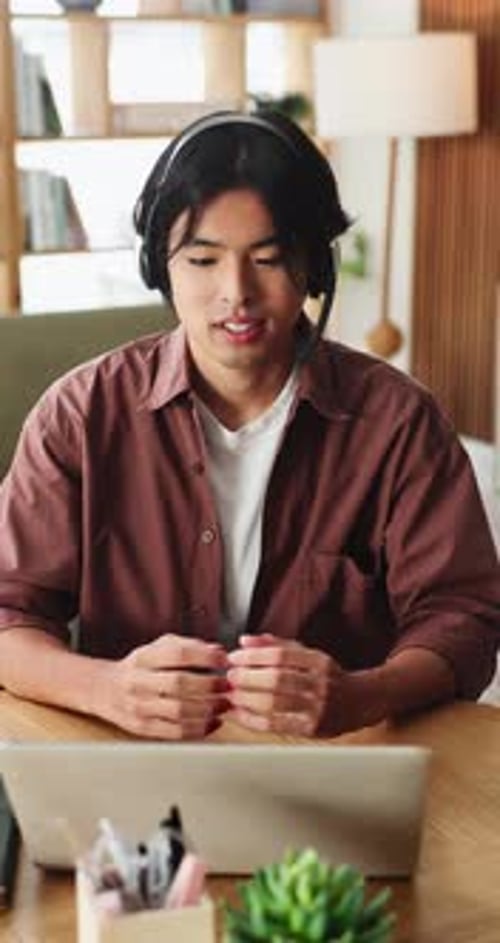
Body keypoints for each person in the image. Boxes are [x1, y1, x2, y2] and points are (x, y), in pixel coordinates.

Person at [0, 111, 498, 741]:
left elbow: (463, 618)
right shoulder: (80, 415)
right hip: (131, 764)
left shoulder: (398, 423)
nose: (235, 293)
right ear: (159, 266)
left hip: (336, 766)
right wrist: (104, 688)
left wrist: (362, 694)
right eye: (202, 260)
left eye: (267, 259)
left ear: (314, 268)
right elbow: (8, 611)